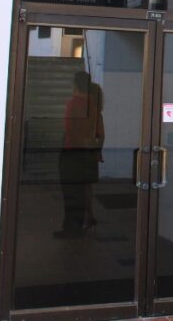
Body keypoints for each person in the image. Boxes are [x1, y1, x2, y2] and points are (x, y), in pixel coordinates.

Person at [56, 71, 105, 238]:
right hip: (88, 153)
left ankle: (71, 227)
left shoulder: (73, 104)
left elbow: (69, 129)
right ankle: (82, 222)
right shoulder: (94, 106)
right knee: (83, 190)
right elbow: (99, 132)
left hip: (72, 153)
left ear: (75, 85)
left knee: (71, 192)